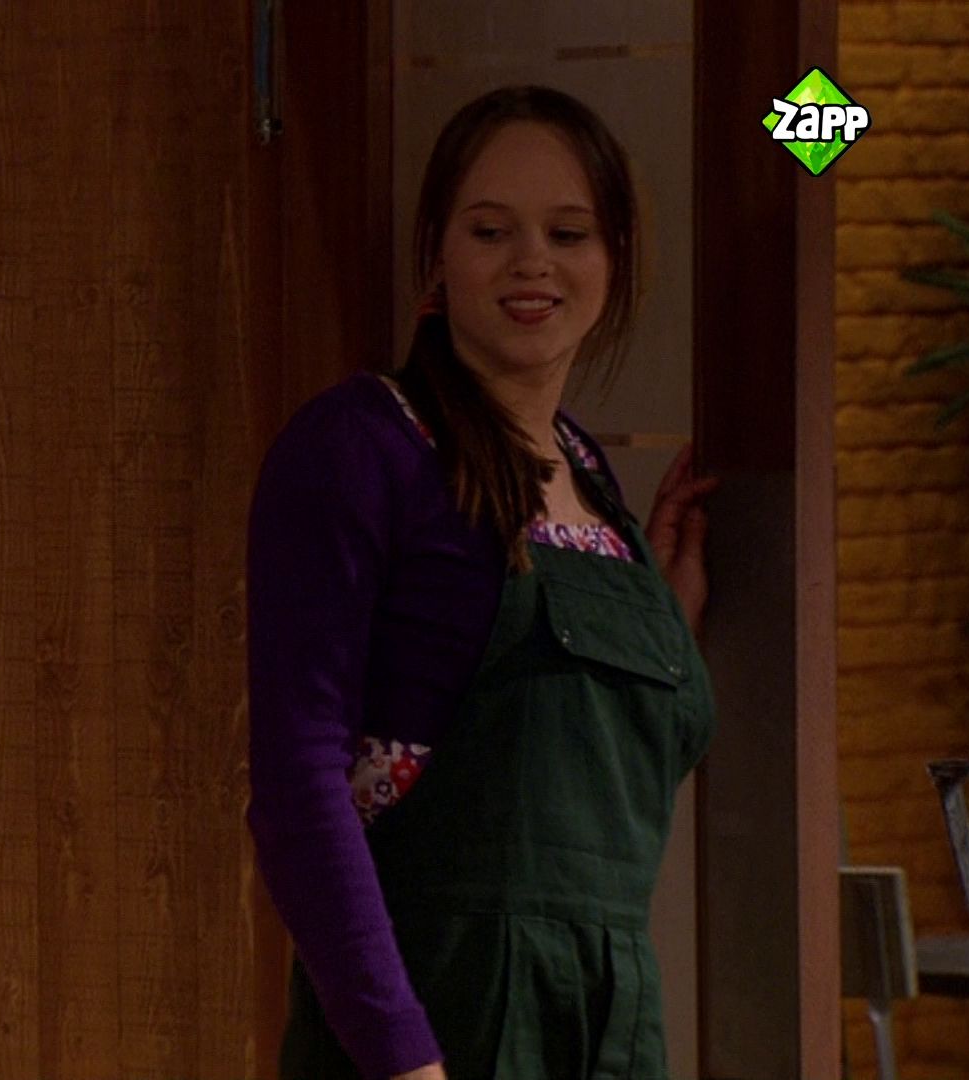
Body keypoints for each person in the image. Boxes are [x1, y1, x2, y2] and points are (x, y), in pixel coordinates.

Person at [245, 85, 722, 1080]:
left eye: (569, 233)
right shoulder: (362, 447)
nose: (531, 262)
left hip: (610, 1031)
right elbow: (298, 784)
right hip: (436, 1023)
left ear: (616, 259)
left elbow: (589, 801)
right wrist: (400, 1054)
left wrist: (665, 622)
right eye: (491, 230)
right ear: (437, 251)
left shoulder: (592, 478)